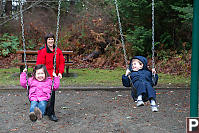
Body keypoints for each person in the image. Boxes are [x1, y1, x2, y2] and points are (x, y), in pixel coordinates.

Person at [36, 32, 65, 122]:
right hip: (45, 75)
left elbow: (61, 62)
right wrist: (41, 75)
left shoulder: (58, 50)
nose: (51, 41)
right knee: (44, 94)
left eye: (52, 39)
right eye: (49, 39)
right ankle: (43, 110)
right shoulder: (43, 51)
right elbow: (39, 64)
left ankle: (51, 113)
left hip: (54, 76)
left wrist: (60, 72)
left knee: (52, 95)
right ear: (46, 41)